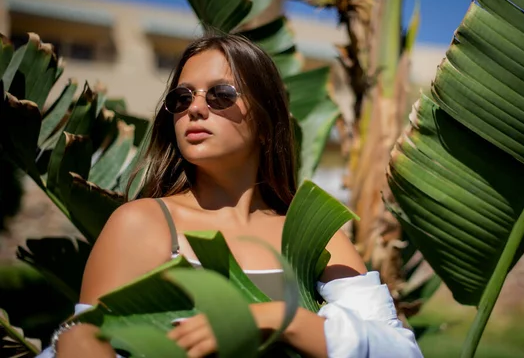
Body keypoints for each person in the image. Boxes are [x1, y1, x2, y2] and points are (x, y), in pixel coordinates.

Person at [39, 32, 423, 358]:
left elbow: (399, 350)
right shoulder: (144, 223)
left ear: (265, 121)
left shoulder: (313, 238)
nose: (195, 109)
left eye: (220, 95)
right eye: (181, 98)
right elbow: (81, 339)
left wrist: (281, 318)